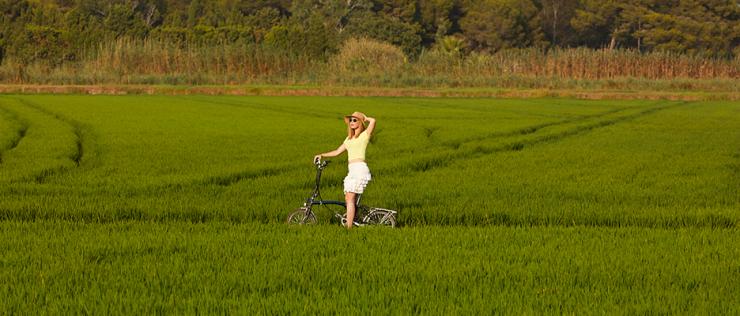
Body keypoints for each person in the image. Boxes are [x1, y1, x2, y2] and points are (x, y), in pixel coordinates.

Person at [314, 112, 376, 229]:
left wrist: (365, 118)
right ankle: (353, 221)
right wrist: (322, 155)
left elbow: (373, 121)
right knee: (349, 199)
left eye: (355, 120)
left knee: (350, 198)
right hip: (351, 170)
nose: (352, 122)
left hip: (359, 169)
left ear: (360, 123)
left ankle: (349, 227)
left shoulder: (364, 135)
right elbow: (337, 151)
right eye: (351, 120)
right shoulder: (348, 139)